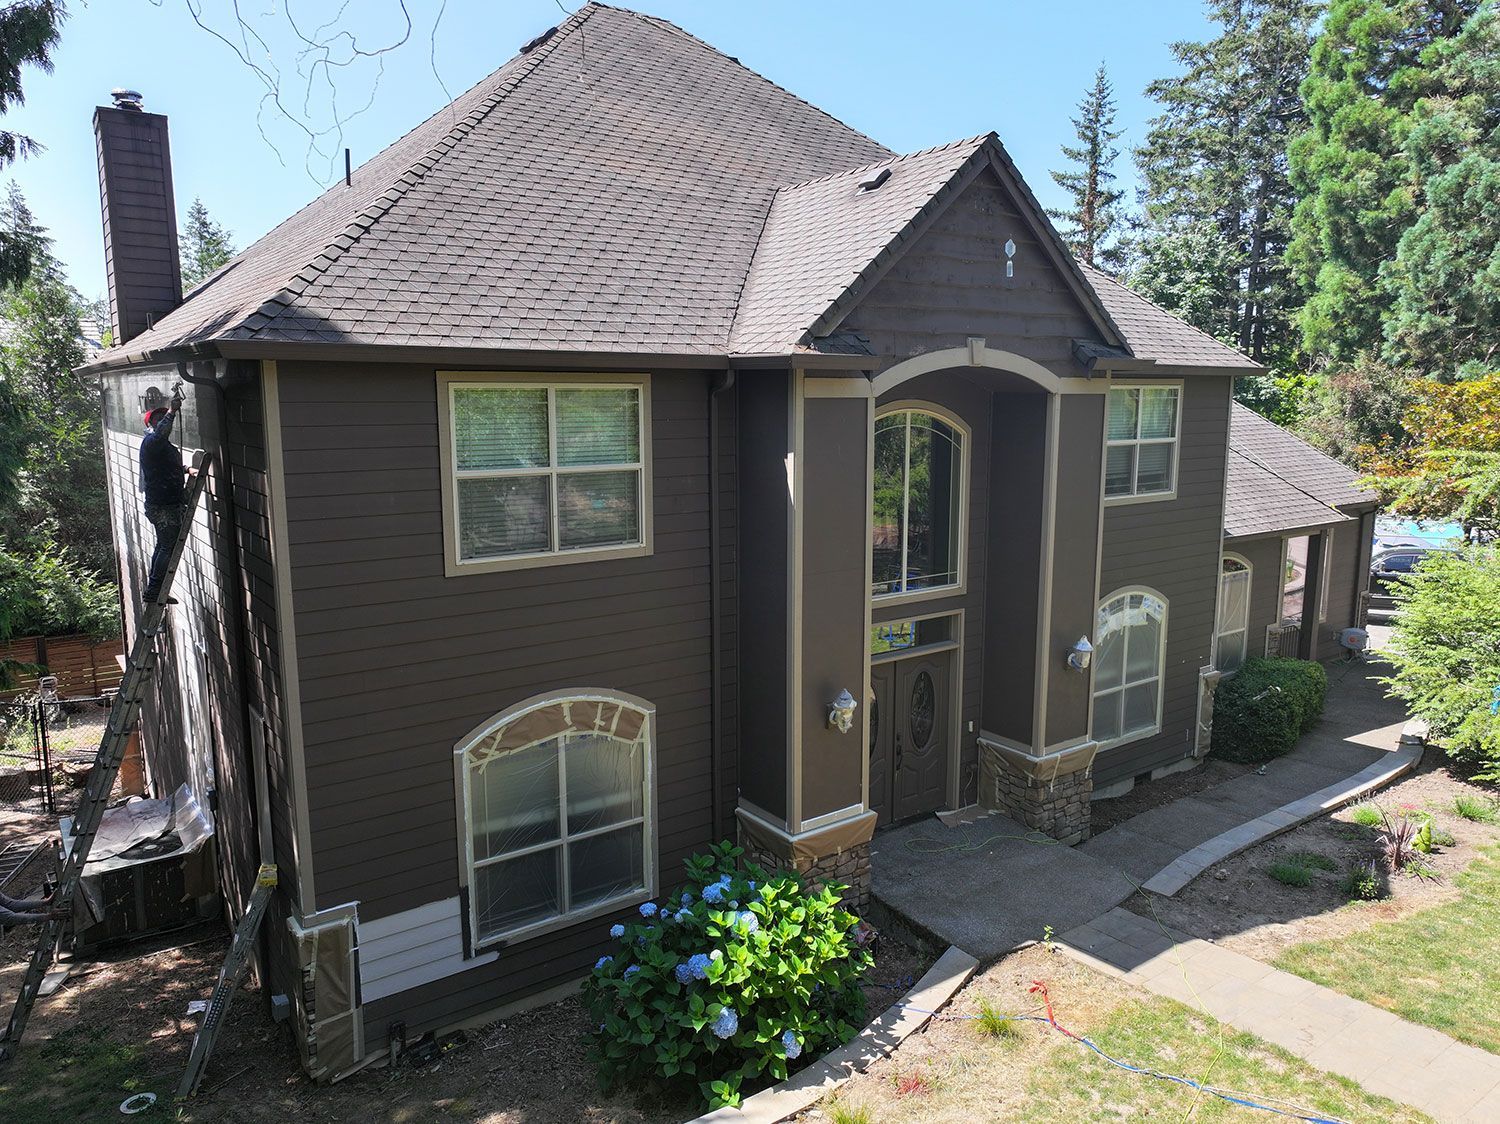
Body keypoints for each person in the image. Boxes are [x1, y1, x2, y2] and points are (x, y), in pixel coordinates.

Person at [140, 387, 191, 604]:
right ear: (151, 424)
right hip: (162, 506)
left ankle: (154, 588)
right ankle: (154, 591)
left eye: (163, 416)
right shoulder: (152, 442)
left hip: (165, 503)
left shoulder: (162, 447)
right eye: (158, 418)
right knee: (167, 545)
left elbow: (167, 467)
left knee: (163, 545)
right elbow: (162, 433)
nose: (162, 420)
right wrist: (171, 412)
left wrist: (187, 470)